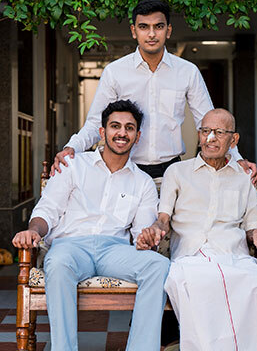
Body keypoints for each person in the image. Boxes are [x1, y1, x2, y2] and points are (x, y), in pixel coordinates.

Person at [12, 100, 170, 351]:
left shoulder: (143, 182)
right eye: (115, 126)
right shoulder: (73, 166)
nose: (122, 133)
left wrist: (146, 237)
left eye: (129, 128)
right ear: (102, 132)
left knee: (159, 265)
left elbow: (141, 234)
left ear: (137, 136)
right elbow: (47, 210)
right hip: (70, 246)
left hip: (114, 250)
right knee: (59, 263)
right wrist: (34, 230)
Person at [51, 0, 257, 185]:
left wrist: (237, 158)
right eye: (144, 27)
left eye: (158, 27)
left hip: (172, 172)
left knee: (168, 228)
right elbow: (96, 122)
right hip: (125, 171)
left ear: (168, 30)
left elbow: (209, 124)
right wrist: (72, 147)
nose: (151, 34)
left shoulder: (187, 72)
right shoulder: (115, 72)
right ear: (134, 31)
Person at [137, 108, 257, 351]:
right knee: (195, 281)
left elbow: (253, 225)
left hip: (233, 254)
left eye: (218, 132)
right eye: (205, 131)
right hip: (190, 256)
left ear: (233, 140)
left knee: (253, 282)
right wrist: (155, 228)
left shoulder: (242, 178)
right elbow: (163, 218)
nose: (210, 138)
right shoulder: (177, 172)